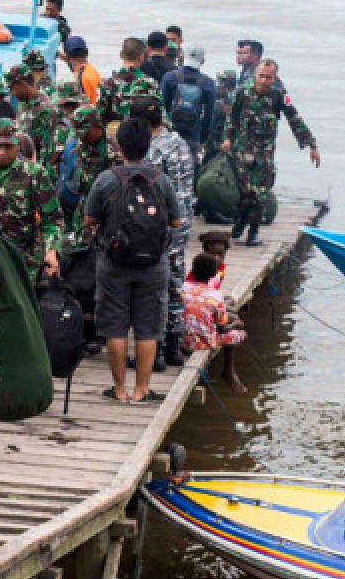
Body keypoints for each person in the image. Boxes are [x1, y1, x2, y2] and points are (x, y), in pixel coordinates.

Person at [82, 117, 182, 403]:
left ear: (119, 145)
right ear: (149, 144)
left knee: (115, 327)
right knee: (148, 328)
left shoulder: (107, 179)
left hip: (113, 262)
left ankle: (119, 389)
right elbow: (176, 221)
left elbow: (89, 218)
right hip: (154, 264)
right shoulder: (160, 180)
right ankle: (142, 390)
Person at [222, 60, 320, 245]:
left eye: (268, 77)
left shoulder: (278, 96)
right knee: (245, 192)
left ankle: (253, 232)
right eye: (261, 76)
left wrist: (311, 145)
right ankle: (241, 219)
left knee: (260, 194)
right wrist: (227, 138)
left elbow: (295, 119)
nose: (264, 80)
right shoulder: (242, 93)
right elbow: (231, 118)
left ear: (274, 78)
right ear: (255, 75)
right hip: (243, 151)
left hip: (265, 154)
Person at [133, 96, 194, 371]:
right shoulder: (179, 142)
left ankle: (154, 351)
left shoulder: (151, 152)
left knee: (154, 285)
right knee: (176, 280)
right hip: (184, 221)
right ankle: (174, 345)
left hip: (162, 225)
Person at [0, 118, 62, 281]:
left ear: (18, 144)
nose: (2, 152)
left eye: (8, 146)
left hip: (23, 261)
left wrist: (52, 251)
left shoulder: (34, 174)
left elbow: (52, 219)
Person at [183, 253, 247, 394]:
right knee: (240, 333)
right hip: (201, 342)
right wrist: (235, 322)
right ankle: (228, 371)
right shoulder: (215, 295)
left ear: (192, 271)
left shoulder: (183, 287)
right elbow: (222, 322)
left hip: (180, 339)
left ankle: (229, 372)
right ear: (213, 275)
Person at [59, 105, 118, 247]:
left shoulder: (112, 151)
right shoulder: (81, 143)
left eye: (85, 132)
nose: (81, 137)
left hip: (105, 211)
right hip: (83, 205)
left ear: (97, 126)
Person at [160, 45, 216, 158]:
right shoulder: (208, 83)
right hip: (193, 133)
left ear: (182, 56)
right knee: (190, 168)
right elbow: (209, 115)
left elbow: (162, 107)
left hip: (170, 132)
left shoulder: (169, 77)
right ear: (203, 61)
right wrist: (202, 139)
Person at [97, 37, 160, 125]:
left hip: (117, 134)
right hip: (143, 134)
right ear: (141, 57)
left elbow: (100, 115)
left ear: (121, 55)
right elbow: (159, 115)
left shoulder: (107, 84)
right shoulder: (149, 83)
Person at [7, 64, 58, 171]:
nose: (12, 93)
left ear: (22, 84)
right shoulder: (23, 102)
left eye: (12, 88)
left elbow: (49, 152)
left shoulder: (45, 110)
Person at [64, 35, 101, 104]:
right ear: (87, 52)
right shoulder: (92, 71)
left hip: (89, 113)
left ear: (66, 55)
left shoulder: (78, 78)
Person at [43, 0, 71, 69]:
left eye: (52, 11)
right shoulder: (40, 20)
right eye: (47, 9)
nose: (48, 13)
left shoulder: (62, 27)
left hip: (50, 61)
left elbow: (68, 55)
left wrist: (56, 52)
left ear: (60, 10)